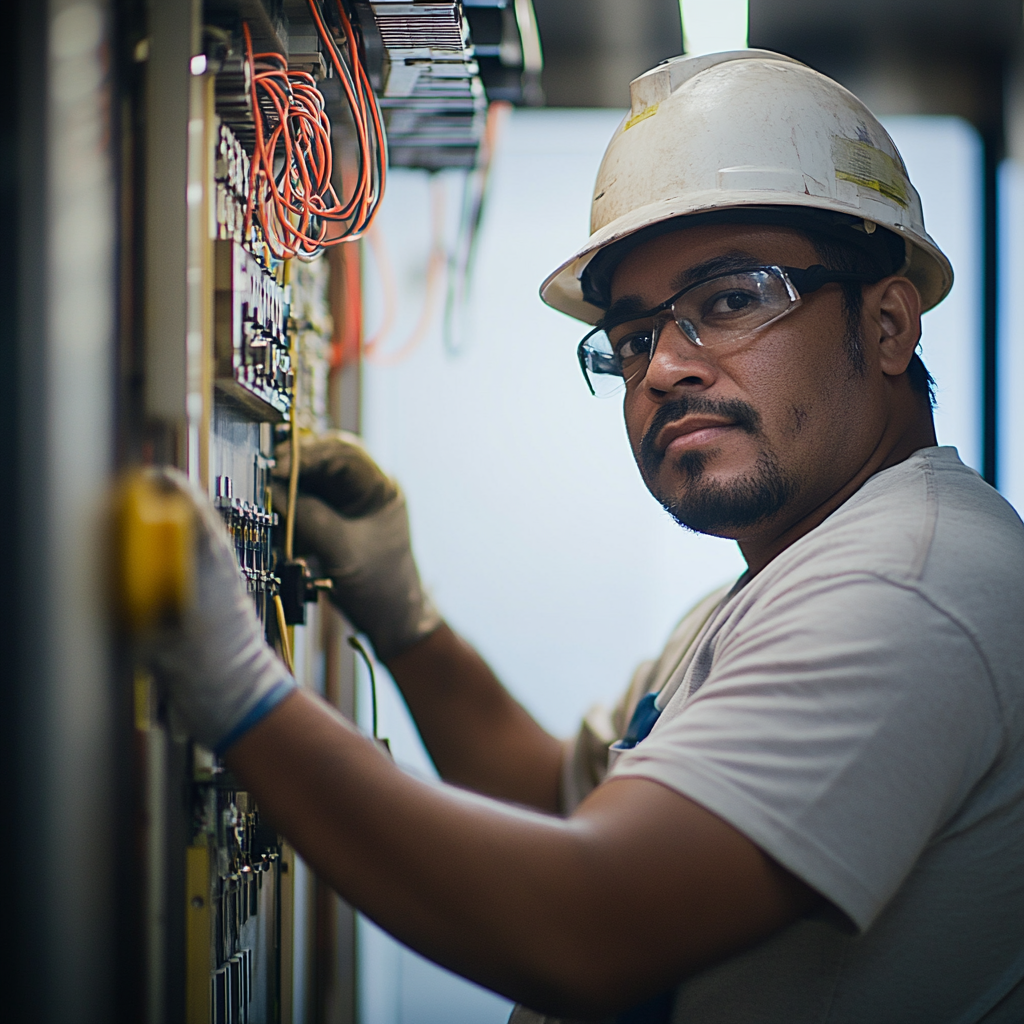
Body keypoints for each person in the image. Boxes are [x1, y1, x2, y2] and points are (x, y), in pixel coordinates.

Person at [152, 50, 1024, 1023]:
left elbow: (585, 920)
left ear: (891, 323)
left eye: (729, 299)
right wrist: (406, 621)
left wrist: (235, 693)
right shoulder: (776, 589)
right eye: (633, 338)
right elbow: (558, 804)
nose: (664, 370)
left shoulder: (909, 591)